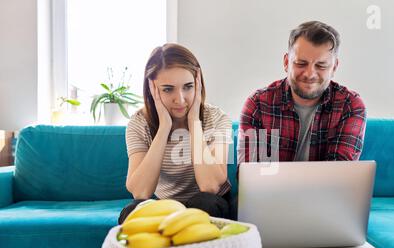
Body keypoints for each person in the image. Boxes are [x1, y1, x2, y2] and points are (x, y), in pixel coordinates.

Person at [118, 43, 233, 224]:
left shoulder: (217, 118)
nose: (180, 99)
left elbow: (210, 186)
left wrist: (194, 121)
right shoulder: (139, 123)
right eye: (168, 89)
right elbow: (140, 192)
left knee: (205, 202)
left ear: (198, 84)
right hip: (166, 205)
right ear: (152, 89)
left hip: (210, 203)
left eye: (188, 87)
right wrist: (164, 127)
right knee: (131, 211)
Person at [238, 21, 367, 164]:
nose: (310, 74)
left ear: (334, 68)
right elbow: (250, 174)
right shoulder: (258, 105)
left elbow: (341, 174)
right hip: (271, 187)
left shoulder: (349, 106)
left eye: (321, 66)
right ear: (286, 62)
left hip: (326, 187)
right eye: (301, 63)